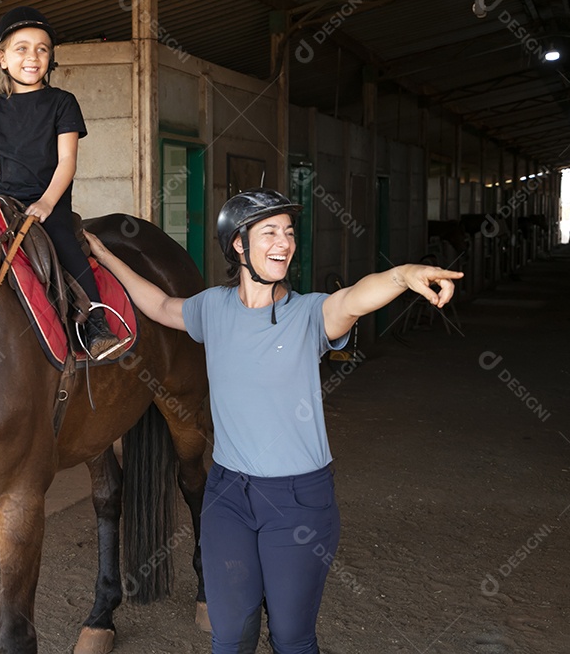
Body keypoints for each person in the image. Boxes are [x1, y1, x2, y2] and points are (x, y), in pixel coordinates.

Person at [85, 188, 463, 653]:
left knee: (291, 638)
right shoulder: (213, 308)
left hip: (298, 501)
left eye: (288, 231)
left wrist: (403, 275)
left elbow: (354, 299)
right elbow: (161, 305)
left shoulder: (308, 314)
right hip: (227, 496)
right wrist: (106, 256)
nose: (283, 241)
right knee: (230, 637)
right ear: (239, 245)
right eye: (269, 232)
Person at [0, 5, 128, 361]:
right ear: (2, 58)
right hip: (5, 201)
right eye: (21, 48)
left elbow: (67, 161)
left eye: (42, 48)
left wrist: (46, 203)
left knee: (66, 247)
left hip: (49, 204)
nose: (33, 56)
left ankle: (97, 323)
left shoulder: (62, 103)